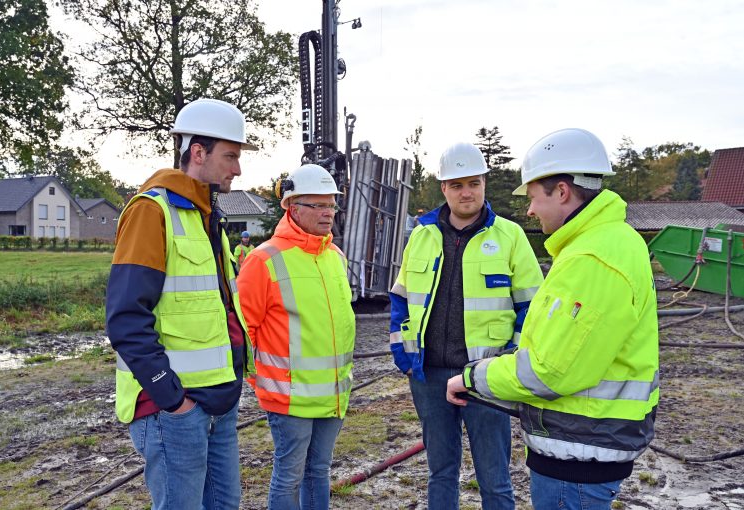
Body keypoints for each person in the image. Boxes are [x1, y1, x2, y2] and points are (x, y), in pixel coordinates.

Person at [447, 128, 659, 510]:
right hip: (586, 443)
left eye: (532, 197)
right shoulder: (606, 243)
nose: (529, 210)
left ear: (561, 192)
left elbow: (550, 372)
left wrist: (472, 376)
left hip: (578, 453)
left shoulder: (591, 259)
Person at [106, 98, 256, 510]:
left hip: (218, 403)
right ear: (198, 153)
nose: (237, 169)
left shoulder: (208, 218)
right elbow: (125, 320)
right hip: (175, 410)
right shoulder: (151, 213)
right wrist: (173, 401)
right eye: (231, 156)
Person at [390, 142, 543, 510]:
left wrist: (510, 362)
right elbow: (400, 298)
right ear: (443, 187)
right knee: (440, 471)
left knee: (494, 477)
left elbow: (532, 308)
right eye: (456, 185)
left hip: (487, 376)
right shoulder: (422, 234)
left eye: (473, 183)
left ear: (484, 183)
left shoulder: (509, 236)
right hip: (430, 375)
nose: (466, 192)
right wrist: (404, 355)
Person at [236, 163, 355, 510]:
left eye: (331, 205)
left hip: (332, 394)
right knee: (289, 475)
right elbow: (246, 331)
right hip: (288, 398)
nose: (327, 213)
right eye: (318, 205)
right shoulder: (263, 260)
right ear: (292, 207)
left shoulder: (335, 257)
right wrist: (261, 381)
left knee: (319, 471)